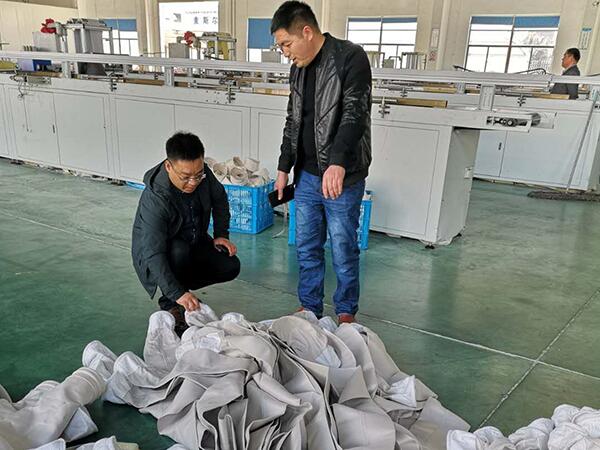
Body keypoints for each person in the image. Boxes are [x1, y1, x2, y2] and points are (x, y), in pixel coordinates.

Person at [271, 1, 372, 323]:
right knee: (306, 246)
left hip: (343, 176)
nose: (285, 53)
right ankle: (310, 306)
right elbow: (293, 119)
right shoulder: (298, 69)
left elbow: (355, 113)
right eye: (281, 47)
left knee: (343, 247)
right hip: (306, 175)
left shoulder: (350, 57)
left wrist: (337, 163)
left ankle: (346, 311)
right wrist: (284, 166)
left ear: (307, 31)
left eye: (287, 44)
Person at [131, 132, 240, 335]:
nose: (193, 182)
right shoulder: (155, 199)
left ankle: (181, 292)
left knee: (230, 265)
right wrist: (177, 292)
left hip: (193, 240)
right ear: (168, 166)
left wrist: (221, 234)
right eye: (185, 177)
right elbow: (152, 253)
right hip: (160, 252)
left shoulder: (203, 174)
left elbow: (219, 199)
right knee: (178, 251)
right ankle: (172, 302)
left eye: (197, 175)